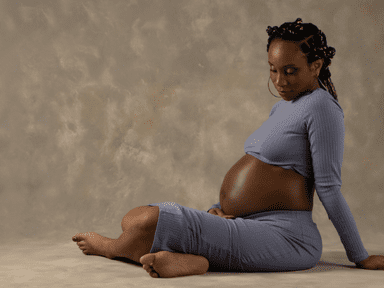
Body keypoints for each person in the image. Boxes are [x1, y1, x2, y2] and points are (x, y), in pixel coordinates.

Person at [72, 18, 384, 278]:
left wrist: (360, 256)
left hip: (287, 238)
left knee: (145, 224)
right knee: (134, 218)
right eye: (273, 69)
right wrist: (218, 207)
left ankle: (113, 248)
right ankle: (196, 261)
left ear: (316, 66)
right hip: (242, 223)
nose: (280, 80)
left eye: (290, 70)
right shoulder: (285, 106)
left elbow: (329, 188)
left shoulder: (322, 108)